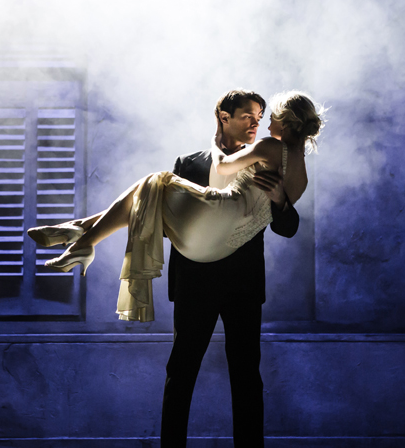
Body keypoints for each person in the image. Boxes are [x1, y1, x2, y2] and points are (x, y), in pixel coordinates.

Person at [27, 89, 325, 446]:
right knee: (181, 372)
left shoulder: (270, 154)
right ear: (224, 117)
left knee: (247, 376)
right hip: (195, 280)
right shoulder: (190, 162)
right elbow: (168, 219)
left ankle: (83, 232)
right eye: (248, 116)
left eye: (261, 117)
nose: (256, 124)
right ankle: (83, 234)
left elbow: (287, 227)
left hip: (241, 285)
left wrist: (279, 201)